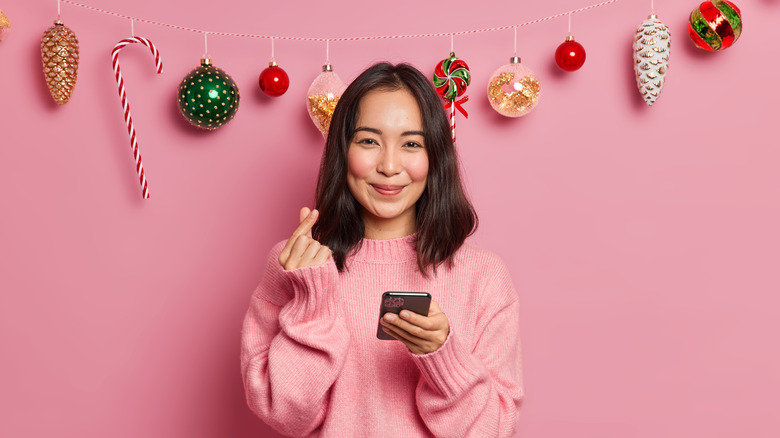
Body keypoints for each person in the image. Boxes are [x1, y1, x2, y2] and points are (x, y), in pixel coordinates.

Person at [241, 62, 523, 437]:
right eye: (369, 141)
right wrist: (312, 301)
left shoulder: (483, 276)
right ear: (343, 150)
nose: (389, 166)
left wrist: (442, 355)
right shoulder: (294, 264)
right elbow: (284, 414)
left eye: (411, 144)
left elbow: (494, 431)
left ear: (435, 156)